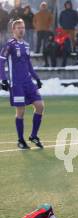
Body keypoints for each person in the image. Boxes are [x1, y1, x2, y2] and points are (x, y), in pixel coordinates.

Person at [0, 19, 44, 149]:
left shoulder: (26, 45)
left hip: (28, 83)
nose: (21, 30)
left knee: (40, 106)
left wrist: (37, 78)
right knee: (21, 111)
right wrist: (3, 79)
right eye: (18, 28)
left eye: (23, 27)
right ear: (13, 30)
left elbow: (28, 64)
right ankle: (20, 140)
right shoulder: (9, 45)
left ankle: (33, 136)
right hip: (17, 84)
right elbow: (1, 62)